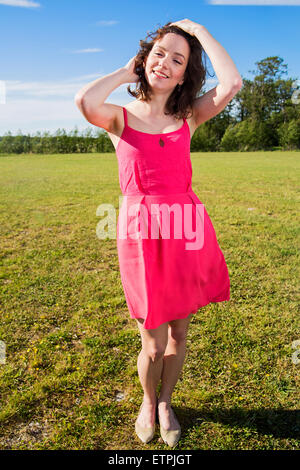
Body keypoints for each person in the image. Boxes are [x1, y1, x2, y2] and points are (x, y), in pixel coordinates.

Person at [75, 19, 242, 447]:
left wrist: (201, 32)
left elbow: (232, 83)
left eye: (178, 59)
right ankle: (147, 401)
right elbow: (84, 100)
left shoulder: (188, 117)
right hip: (141, 236)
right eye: (159, 54)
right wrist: (123, 72)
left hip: (186, 232)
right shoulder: (120, 118)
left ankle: (166, 402)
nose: (166, 63)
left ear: (185, 73)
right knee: (153, 342)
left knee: (180, 334)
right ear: (145, 59)